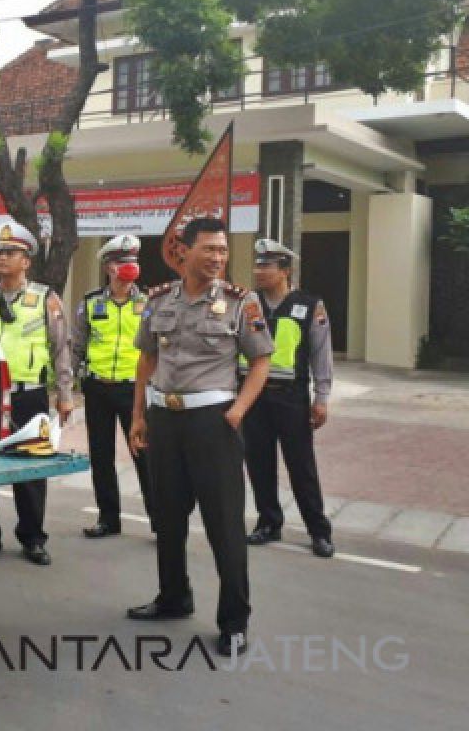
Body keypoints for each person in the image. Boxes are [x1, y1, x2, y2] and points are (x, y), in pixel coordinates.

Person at [126, 218, 274, 658]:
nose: (217, 258)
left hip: (214, 423)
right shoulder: (158, 301)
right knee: (168, 520)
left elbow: (261, 360)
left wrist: (237, 411)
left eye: (223, 251)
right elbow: (147, 360)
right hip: (164, 422)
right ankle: (174, 597)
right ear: (182, 251)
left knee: (224, 526)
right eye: (208, 249)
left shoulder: (240, 302)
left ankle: (234, 622)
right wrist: (138, 416)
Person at [0, 220, 74, 566]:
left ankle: (33, 538)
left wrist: (65, 392)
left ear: (26, 260)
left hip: (30, 395)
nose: (1, 258)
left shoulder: (45, 298)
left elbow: (61, 348)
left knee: (31, 468)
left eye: (10, 252)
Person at [242, 238, 336, 558]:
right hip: (252, 397)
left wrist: (321, 397)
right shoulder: (246, 303)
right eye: (257, 265)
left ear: (285, 271)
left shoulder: (310, 305)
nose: (259, 271)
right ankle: (268, 522)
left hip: (291, 397)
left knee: (301, 466)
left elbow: (322, 354)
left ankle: (318, 531)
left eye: (266, 266)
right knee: (258, 463)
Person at [71, 234, 156, 538]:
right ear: (108, 267)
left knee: (144, 455)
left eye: (132, 261)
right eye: (122, 262)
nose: (128, 267)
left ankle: (158, 521)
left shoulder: (149, 303)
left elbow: (159, 348)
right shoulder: (91, 303)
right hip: (98, 389)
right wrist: (70, 386)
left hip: (135, 390)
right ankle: (108, 519)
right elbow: (77, 346)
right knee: (101, 455)